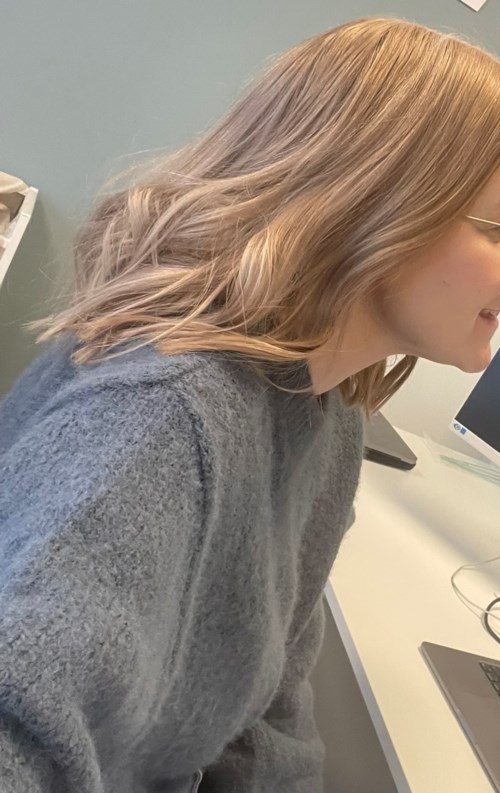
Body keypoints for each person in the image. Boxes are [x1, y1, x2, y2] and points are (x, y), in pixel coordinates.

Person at [1, 15, 500, 793]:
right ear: (374, 202)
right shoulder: (158, 423)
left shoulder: (329, 412)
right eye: (498, 230)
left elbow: (268, 702)